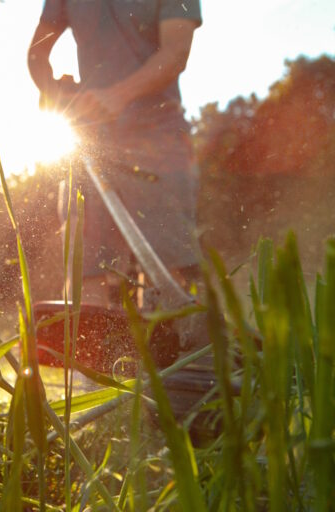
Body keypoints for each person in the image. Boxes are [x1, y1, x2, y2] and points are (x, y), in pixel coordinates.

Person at [27, 1, 203, 326]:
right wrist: (53, 90)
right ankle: (90, 359)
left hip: (158, 134)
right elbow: (37, 53)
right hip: (92, 135)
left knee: (169, 258)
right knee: (86, 260)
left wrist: (118, 95)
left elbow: (176, 52)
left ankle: (174, 348)